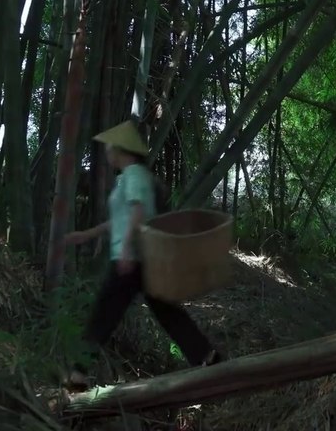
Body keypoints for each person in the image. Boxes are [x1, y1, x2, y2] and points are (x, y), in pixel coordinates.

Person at [64, 119, 222, 385]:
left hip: (131, 258)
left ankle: (77, 374)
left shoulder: (135, 175)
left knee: (103, 314)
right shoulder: (128, 177)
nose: (107, 152)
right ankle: (207, 356)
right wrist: (87, 235)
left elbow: (138, 212)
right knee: (166, 312)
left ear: (120, 149)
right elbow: (122, 219)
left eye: (109, 147)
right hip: (142, 258)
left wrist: (126, 248)